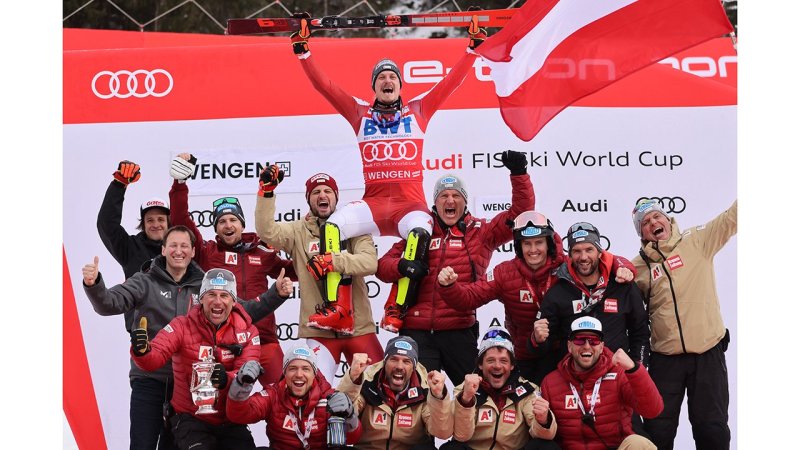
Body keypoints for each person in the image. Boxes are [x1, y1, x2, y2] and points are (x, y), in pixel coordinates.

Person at [278, 9, 488, 332]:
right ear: (374, 87)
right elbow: (326, 87)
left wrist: (472, 48)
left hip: (409, 207)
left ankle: (396, 309)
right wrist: (303, 51)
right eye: (381, 78)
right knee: (332, 227)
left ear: (400, 86)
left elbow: (450, 83)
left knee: (420, 234)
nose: (387, 81)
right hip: (373, 205)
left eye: (392, 77)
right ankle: (338, 309)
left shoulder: (418, 110)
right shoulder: (359, 113)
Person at [83, 226, 293, 450]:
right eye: (173, 245)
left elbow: (243, 311)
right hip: (151, 379)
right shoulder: (145, 280)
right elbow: (109, 303)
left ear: (193, 251)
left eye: (184, 246)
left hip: (186, 384)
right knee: (143, 445)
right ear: (163, 249)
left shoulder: (206, 283)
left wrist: (276, 294)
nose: (178, 251)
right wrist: (94, 285)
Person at [376, 164, 534, 386]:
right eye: (444, 196)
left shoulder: (481, 232)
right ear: (435, 202)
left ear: (465, 201)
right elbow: (382, 266)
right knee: (419, 398)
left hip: (459, 330)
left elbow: (520, 215)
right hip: (417, 331)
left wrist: (519, 174)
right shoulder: (421, 230)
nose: (450, 200)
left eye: (456, 196)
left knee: (475, 393)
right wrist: (403, 266)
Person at [169, 153, 296, 386]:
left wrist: (309, 247)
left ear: (242, 224)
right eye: (222, 221)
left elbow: (295, 271)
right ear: (216, 228)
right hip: (224, 342)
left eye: (233, 220)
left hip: (264, 339)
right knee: (221, 400)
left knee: (281, 394)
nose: (228, 225)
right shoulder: (208, 252)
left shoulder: (262, 251)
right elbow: (180, 221)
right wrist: (180, 184)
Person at [254, 169, 384, 382]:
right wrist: (266, 193)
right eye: (316, 192)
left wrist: (333, 262)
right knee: (315, 392)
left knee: (376, 387)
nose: (322, 195)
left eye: (327, 191)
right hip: (319, 331)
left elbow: (370, 263)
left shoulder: (354, 226)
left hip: (359, 327)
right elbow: (267, 231)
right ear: (308, 199)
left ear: (336, 197)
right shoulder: (297, 231)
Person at [630, 198, 737, 450]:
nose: (653, 223)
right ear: (642, 234)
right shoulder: (638, 267)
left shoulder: (697, 240)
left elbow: (731, 218)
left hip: (707, 353)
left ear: (668, 220)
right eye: (645, 222)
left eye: (657, 216)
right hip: (665, 360)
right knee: (658, 431)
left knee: (712, 430)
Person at [130, 268, 266, 450]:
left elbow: (246, 373)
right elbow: (154, 358)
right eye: (211, 294)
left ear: (234, 301)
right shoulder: (181, 325)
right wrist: (142, 350)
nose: (217, 301)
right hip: (190, 417)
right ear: (201, 298)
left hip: (230, 418)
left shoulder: (248, 332)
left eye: (224, 295)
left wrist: (226, 379)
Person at [532, 221, 648, 367]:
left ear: (600, 252)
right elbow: (543, 348)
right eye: (577, 251)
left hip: (615, 373)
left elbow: (640, 332)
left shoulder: (622, 285)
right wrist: (537, 339)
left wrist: (637, 368)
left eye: (589, 249)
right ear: (570, 255)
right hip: (574, 375)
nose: (583, 257)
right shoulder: (558, 292)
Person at [540, 317, 663, 450]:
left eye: (594, 340)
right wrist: (543, 421)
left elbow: (653, 410)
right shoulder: (550, 382)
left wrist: (633, 369)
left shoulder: (619, 374)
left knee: (638, 443)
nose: (587, 346)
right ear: (569, 346)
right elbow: (542, 435)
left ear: (601, 346)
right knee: (537, 445)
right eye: (579, 340)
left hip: (614, 446)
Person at [442, 326, 558, 450]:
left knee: (546, 446)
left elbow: (545, 435)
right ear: (480, 364)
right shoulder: (465, 389)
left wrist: (543, 420)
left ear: (512, 365)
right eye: (490, 360)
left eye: (503, 361)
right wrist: (466, 400)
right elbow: (461, 436)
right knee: (452, 448)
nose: (497, 366)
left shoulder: (527, 390)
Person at [226, 345, 362, 449]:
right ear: (284, 373)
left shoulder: (329, 397)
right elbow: (239, 415)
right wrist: (241, 385)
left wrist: (350, 416)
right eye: (292, 368)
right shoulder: (273, 394)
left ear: (314, 374)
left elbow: (352, 439)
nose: (299, 374)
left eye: (306, 369)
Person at [337, 336, 453, 450]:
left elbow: (442, 432)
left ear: (414, 367)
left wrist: (438, 397)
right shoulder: (368, 383)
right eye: (394, 359)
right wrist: (353, 378)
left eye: (406, 361)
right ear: (385, 362)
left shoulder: (424, 390)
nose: (399, 366)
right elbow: (341, 413)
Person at [97, 159, 170, 335]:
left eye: (161, 219)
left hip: (178, 333)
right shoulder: (130, 248)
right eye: (150, 220)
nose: (156, 224)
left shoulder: (181, 249)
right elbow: (107, 225)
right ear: (143, 224)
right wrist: (118, 185)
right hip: (143, 334)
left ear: (169, 223)